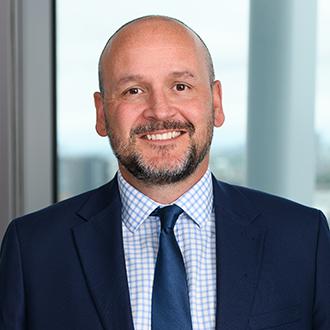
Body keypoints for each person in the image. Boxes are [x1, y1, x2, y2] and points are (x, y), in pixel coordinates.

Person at [0, 15, 329, 330]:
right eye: (134, 90)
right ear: (101, 114)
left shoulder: (302, 238)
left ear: (216, 102)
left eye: (181, 86)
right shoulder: (33, 249)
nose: (159, 110)